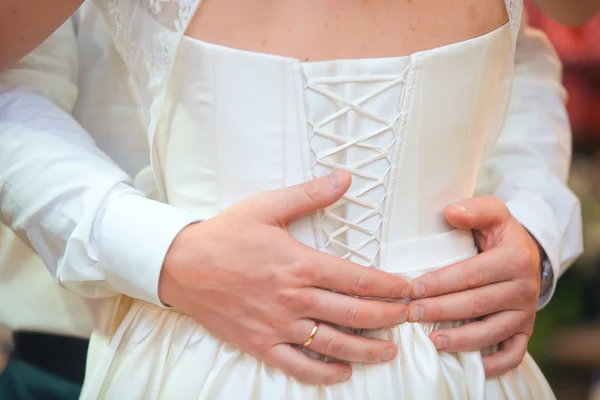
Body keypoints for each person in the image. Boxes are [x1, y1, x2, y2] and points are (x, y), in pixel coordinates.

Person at [0, 0, 582, 399]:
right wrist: (165, 252)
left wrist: (532, 223)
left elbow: (519, 51)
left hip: (456, 362)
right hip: (186, 350)